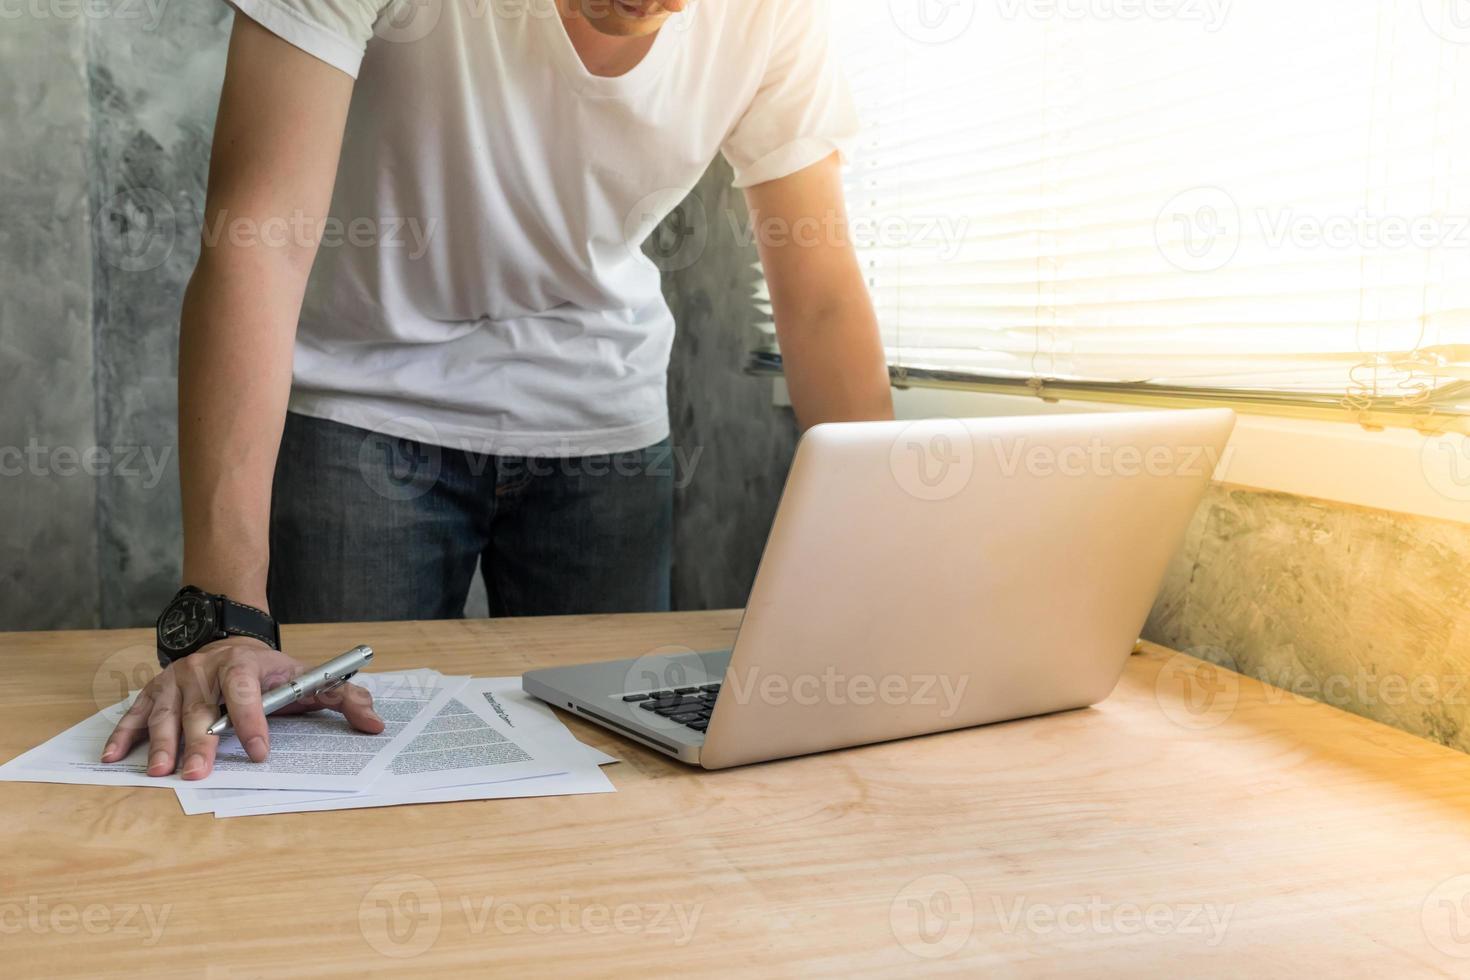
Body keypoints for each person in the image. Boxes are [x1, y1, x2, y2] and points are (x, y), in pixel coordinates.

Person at [102, 0, 893, 779]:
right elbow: (257, 244)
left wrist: (882, 573)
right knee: (328, 764)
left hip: (603, 430)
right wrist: (222, 619)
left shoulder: (779, 15)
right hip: (362, 411)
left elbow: (819, 294)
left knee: (620, 780)